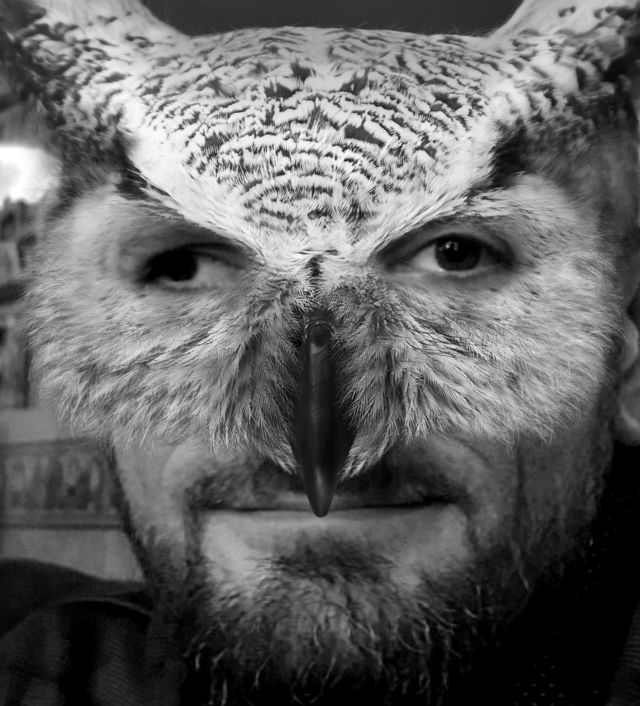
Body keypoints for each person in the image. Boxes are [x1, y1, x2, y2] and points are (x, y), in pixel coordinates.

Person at [1, 0, 640, 704]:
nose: (314, 452)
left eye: (456, 255)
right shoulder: (42, 671)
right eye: (182, 266)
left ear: (626, 371)